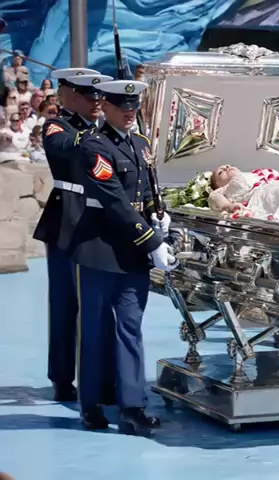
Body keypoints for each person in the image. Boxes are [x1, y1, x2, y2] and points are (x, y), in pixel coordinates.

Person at [70, 79, 177, 434]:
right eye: (122, 107)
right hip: (100, 250)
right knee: (95, 329)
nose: (129, 113)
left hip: (131, 253)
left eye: (134, 107)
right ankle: (91, 404)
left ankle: (132, 406)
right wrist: (152, 242)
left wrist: (159, 213)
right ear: (106, 107)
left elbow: (145, 189)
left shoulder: (140, 143)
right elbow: (114, 200)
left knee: (130, 328)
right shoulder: (94, 146)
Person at [30, 67, 102, 402]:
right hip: (68, 220)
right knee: (65, 302)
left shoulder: (102, 129)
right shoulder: (58, 125)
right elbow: (63, 147)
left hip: (101, 221)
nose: (96, 101)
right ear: (67, 96)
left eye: (99, 96)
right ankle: (61, 376)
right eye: (88, 95)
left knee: (101, 304)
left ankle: (101, 377)